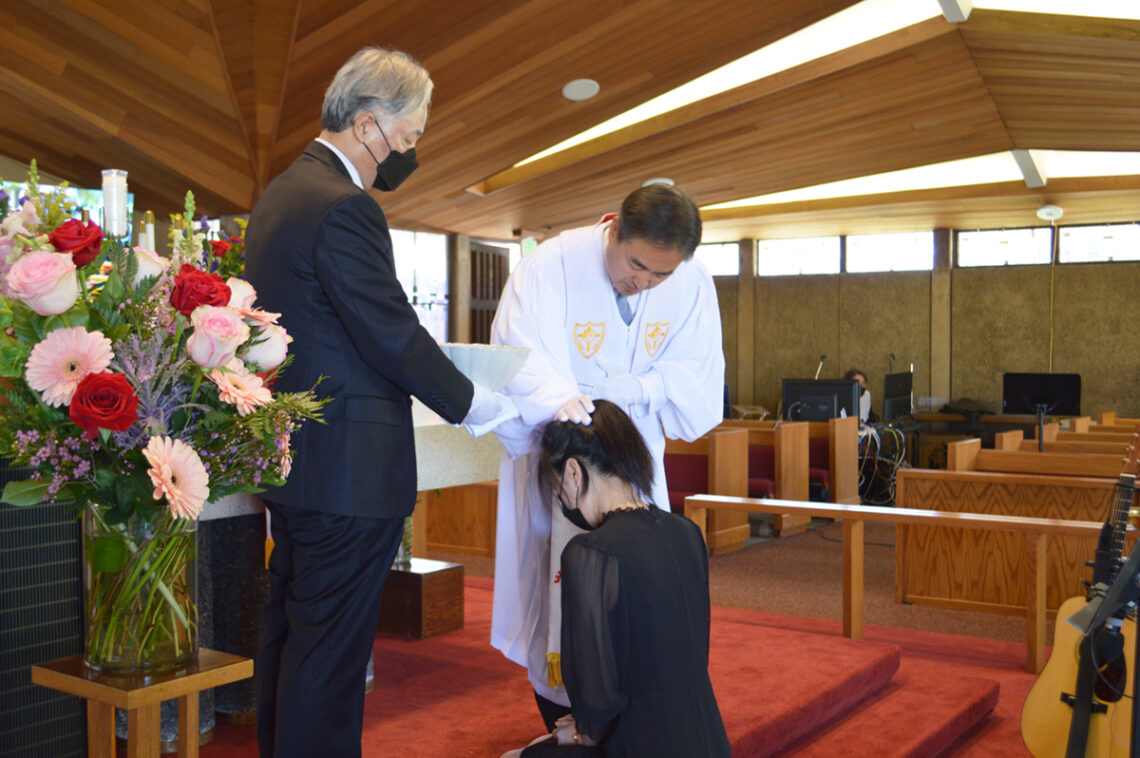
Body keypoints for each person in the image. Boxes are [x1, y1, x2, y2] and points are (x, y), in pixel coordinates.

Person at [243, 47, 514, 758]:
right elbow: (391, 332)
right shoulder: (344, 206)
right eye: (412, 135)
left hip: (300, 459)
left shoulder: (279, 195)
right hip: (348, 474)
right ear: (368, 124)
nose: (411, 151)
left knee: (295, 641)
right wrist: (478, 405)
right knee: (330, 662)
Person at [489, 184, 725, 728]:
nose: (643, 284)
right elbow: (516, 355)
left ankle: (629, 716)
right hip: (563, 463)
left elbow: (701, 376)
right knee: (558, 602)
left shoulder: (691, 283)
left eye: (660, 276)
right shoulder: (551, 266)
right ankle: (563, 718)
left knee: (637, 596)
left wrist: (638, 389)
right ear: (613, 227)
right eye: (637, 265)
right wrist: (567, 399)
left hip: (635, 460)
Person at [501, 400, 731, 758]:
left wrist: (578, 732)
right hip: (709, 741)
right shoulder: (687, 532)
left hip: (639, 745)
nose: (561, 498)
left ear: (574, 472)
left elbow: (597, 703)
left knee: (518, 755)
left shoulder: (591, 553)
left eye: (557, 486)